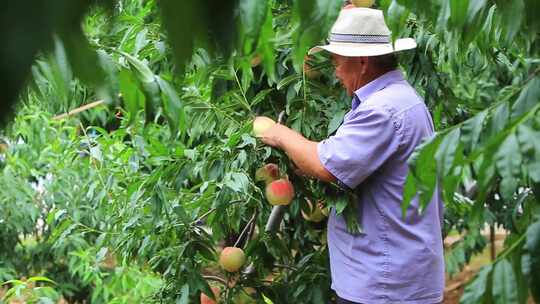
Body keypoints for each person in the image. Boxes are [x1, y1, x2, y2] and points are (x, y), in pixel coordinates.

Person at [256, 7, 445, 304]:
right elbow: (344, 162)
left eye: (336, 59)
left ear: (362, 61)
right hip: (394, 276)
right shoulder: (399, 99)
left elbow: (325, 164)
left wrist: (281, 135)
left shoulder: (383, 110)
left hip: (385, 283)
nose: (334, 68)